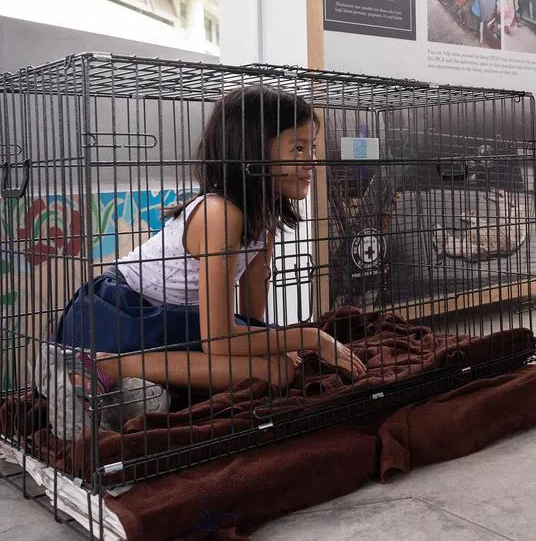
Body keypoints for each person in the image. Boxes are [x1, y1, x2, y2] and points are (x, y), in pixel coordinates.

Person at [48, 86, 366, 430]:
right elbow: (218, 340)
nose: (311, 163)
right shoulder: (219, 213)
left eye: (312, 148)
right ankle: (105, 365)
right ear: (254, 152)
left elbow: (247, 321)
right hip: (119, 315)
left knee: (277, 365)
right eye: (298, 148)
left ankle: (126, 384)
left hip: (170, 321)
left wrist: (274, 345)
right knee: (277, 370)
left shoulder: (263, 220)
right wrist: (311, 337)